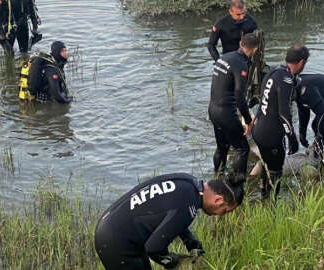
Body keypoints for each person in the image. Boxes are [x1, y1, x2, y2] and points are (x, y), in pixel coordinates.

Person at [94, 173, 245, 270]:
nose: (220, 215)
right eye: (225, 210)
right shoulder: (188, 206)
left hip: (110, 226)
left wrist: (190, 241)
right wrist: (175, 262)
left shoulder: (189, 184)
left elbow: (173, 214)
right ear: (218, 200)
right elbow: (153, 248)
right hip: (116, 243)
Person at [252, 44, 309, 200]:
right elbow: (284, 114)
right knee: (276, 171)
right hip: (270, 135)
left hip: (259, 130)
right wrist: (292, 138)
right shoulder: (286, 80)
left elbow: (259, 99)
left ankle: (263, 194)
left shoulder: (274, 71)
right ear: (302, 62)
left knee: (266, 163)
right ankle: (272, 205)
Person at [208, 33, 259, 178]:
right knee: (242, 148)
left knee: (222, 147)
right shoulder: (240, 64)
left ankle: (217, 178)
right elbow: (239, 96)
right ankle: (238, 184)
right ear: (254, 50)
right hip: (226, 113)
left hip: (213, 109)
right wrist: (248, 121)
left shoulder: (224, 57)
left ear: (240, 43)